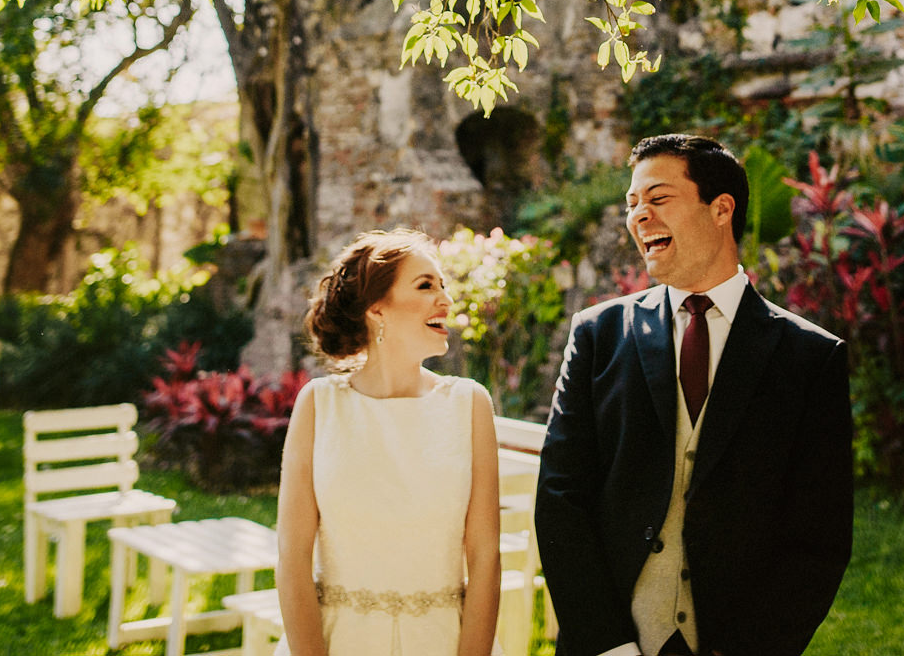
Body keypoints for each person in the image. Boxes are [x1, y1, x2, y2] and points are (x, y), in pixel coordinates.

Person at [536, 135, 853, 656]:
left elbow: (818, 537)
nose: (639, 217)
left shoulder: (810, 358)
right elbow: (560, 500)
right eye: (632, 204)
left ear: (721, 209)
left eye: (658, 199)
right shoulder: (597, 335)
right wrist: (607, 644)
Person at [277, 229, 503, 656]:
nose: (446, 300)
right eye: (425, 285)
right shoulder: (318, 404)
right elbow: (292, 558)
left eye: (443, 285)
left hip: (445, 642)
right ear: (376, 308)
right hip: (336, 640)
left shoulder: (469, 403)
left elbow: (486, 557)